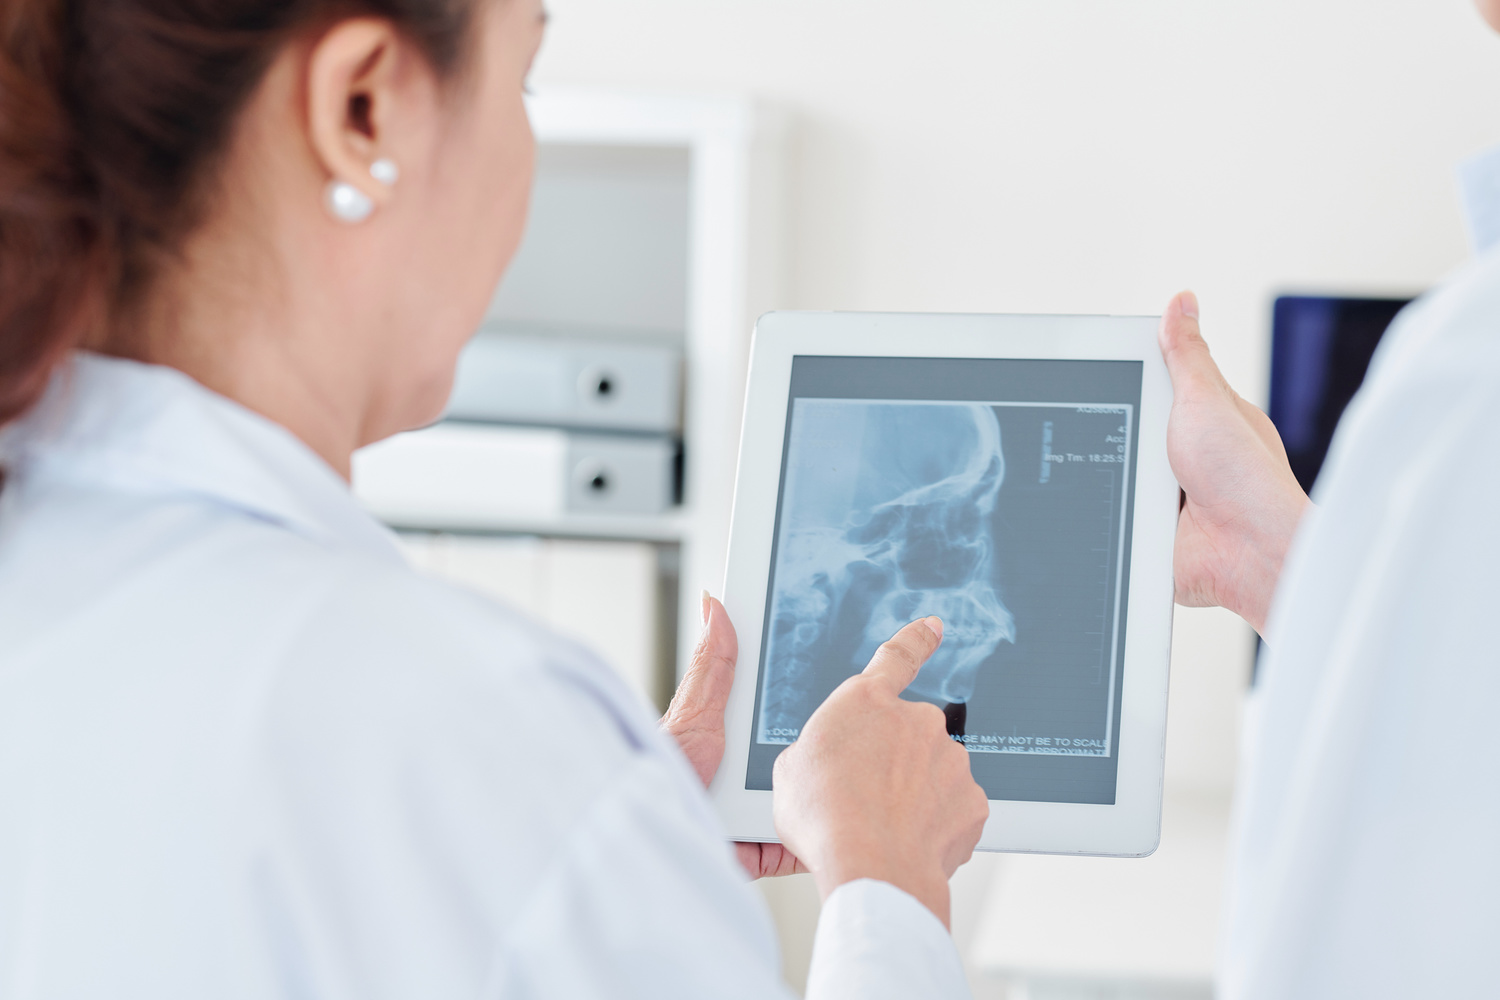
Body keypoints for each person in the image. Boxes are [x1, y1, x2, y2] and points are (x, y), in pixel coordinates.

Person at [0, 0, 989, 997]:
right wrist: (887, 885)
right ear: (363, 109)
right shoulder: (462, 729)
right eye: (522, 79)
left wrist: (612, 853)